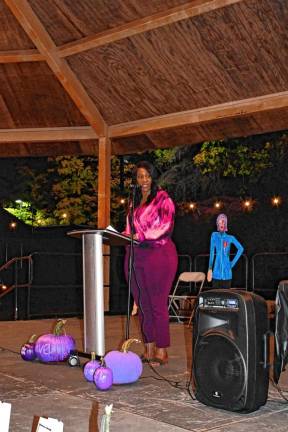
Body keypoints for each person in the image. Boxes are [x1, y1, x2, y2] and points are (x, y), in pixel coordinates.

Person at [123, 161, 178, 365]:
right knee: (143, 305)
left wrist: (142, 235)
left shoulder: (163, 199)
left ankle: (161, 351)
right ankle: (148, 349)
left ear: (153, 177)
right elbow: (129, 230)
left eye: (147, 176)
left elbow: (166, 226)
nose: (143, 180)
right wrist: (121, 236)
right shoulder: (134, 202)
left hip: (158, 254)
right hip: (136, 255)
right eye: (140, 176)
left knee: (156, 304)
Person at [207, 213, 244, 289]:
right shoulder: (214, 235)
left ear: (226, 225)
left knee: (226, 298)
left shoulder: (230, 238)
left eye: (223, 222)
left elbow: (241, 249)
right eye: (220, 222)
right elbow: (211, 252)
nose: (222, 224)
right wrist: (210, 268)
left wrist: (232, 263)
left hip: (227, 275)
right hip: (216, 274)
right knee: (216, 297)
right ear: (217, 224)